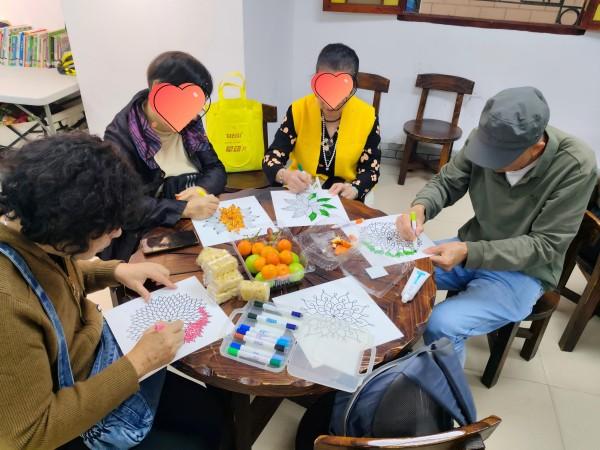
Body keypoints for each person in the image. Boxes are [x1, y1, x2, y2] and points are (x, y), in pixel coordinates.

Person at [0, 134, 225, 449]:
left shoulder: (35, 236)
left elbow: (54, 280)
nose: (118, 232)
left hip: (96, 361)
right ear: (66, 231)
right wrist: (139, 362)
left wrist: (114, 271)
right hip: (68, 421)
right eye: (108, 229)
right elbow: (29, 435)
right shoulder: (8, 308)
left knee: (214, 416)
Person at [396, 87, 597, 365]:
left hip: (525, 272)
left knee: (443, 325)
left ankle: (446, 392)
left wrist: (469, 252)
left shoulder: (575, 165)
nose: (489, 163)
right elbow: (447, 182)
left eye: (499, 159)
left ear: (536, 148)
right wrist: (420, 207)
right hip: (473, 245)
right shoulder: (485, 139)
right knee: (395, 272)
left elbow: (546, 246)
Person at [102, 51, 226, 260]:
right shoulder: (120, 137)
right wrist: (182, 209)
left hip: (195, 223)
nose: (193, 116)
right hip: (147, 237)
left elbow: (215, 168)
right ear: (158, 89)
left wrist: (201, 190)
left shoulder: (190, 124)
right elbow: (126, 207)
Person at [262, 43, 381, 202]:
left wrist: (354, 189)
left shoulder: (367, 116)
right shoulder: (298, 110)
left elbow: (371, 170)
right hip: (302, 190)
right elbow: (271, 157)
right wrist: (285, 175)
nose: (330, 103)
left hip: (344, 193)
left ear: (352, 87)